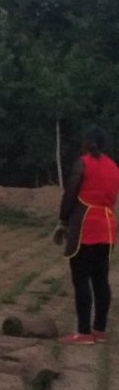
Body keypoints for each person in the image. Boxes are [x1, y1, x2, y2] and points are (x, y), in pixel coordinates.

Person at [54, 124, 119, 344]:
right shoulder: (114, 167)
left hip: (85, 226)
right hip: (108, 227)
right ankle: (99, 330)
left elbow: (71, 192)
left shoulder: (83, 163)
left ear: (86, 143)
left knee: (81, 279)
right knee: (101, 278)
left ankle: (83, 333)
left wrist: (63, 219)